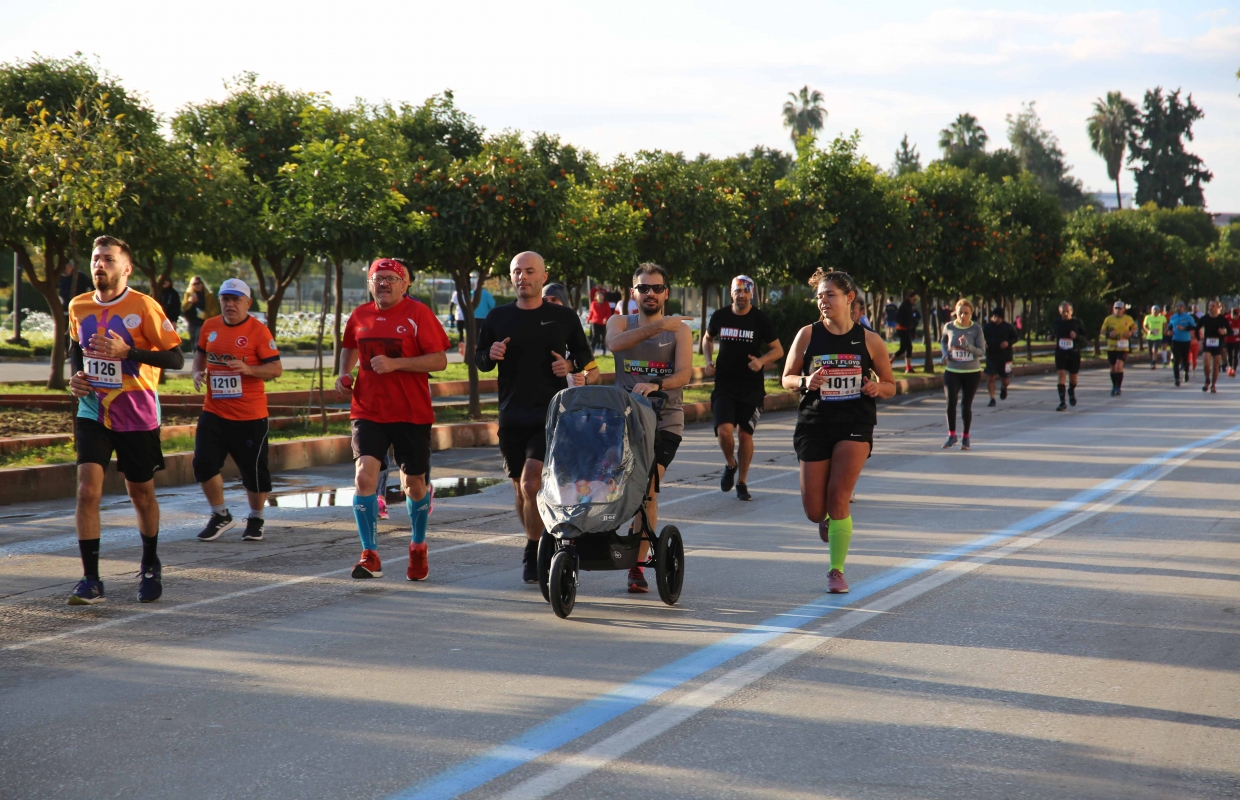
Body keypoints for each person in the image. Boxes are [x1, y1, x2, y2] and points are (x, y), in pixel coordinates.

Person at [65, 236, 184, 605]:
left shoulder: (144, 306)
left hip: (137, 414)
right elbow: (76, 347)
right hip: (94, 410)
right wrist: (76, 376)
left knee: (141, 495)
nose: (100, 265)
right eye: (96, 258)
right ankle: (90, 579)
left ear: (126, 268)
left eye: (108, 259)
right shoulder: (78, 305)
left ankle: (150, 564)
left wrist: (128, 351)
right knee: (87, 489)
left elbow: (176, 358)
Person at [476, 252, 592, 584]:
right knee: (520, 488)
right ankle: (538, 539)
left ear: (543, 276)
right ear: (511, 277)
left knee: (530, 482)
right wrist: (490, 354)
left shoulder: (562, 316)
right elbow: (480, 359)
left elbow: (584, 355)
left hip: (550, 414)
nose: (522, 277)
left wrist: (569, 365)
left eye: (529, 271)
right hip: (512, 416)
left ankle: (534, 549)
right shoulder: (498, 317)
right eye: (517, 272)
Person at [781, 268, 896, 594]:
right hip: (814, 424)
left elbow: (890, 385)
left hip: (855, 424)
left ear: (849, 298)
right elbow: (786, 378)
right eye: (819, 296)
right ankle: (829, 520)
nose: (823, 301)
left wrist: (876, 387)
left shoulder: (870, 340)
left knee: (839, 496)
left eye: (830, 295)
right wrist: (806, 381)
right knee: (814, 510)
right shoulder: (807, 335)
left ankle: (836, 570)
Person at [335, 258, 451, 581]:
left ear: (404, 284)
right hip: (368, 410)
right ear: (370, 284)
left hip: (411, 412)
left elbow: (440, 360)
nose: (383, 284)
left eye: (390, 278)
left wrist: (396, 364)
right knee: (364, 477)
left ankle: (418, 545)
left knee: (414, 484)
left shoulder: (418, 314)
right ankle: (370, 554)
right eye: (378, 279)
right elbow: (349, 346)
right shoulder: (360, 315)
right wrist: (343, 373)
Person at [607, 263, 694, 592]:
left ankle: (637, 566)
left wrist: (656, 384)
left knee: (647, 490)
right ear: (634, 293)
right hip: (624, 419)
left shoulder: (679, 331)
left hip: (665, 419)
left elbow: (684, 374)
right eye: (643, 288)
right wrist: (656, 326)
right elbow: (614, 345)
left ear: (666, 293)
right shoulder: (619, 323)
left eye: (657, 288)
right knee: (609, 487)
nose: (650, 294)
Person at [190, 279, 282, 542]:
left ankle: (256, 518)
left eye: (236, 300)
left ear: (247, 303)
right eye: (225, 299)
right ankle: (220, 515)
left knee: (253, 472)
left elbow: (276, 369)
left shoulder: (258, 331)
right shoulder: (210, 326)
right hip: (214, 410)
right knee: (203, 463)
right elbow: (200, 353)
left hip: (250, 415)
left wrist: (249, 369)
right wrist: (197, 371)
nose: (230, 304)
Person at [703, 275, 783, 502]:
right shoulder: (720, 316)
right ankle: (731, 464)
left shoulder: (760, 319)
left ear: (752, 294)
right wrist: (708, 360)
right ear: (731, 293)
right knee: (724, 431)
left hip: (751, 387)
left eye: (746, 291)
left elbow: (778, 350)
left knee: (745, 435)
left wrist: (761, 361)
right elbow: (707, 338)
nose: (742, 295)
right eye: (737, 290)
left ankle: (742, 482)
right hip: (724, 383)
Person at [940, 299, 985, 450]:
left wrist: (967, 345)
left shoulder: (976, 329)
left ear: (971, 314)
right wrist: (945, 354)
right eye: (960, 313)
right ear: (956, 312)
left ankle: (965, 437)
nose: (963, 316)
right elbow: (943, 341)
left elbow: (981, 352)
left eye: (966, 313)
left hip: (971, 371)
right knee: (950, 402)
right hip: (952, 370)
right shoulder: (949, 326)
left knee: (966, 404)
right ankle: (951, 435)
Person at [544, 283, 599, 385]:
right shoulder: (534, 331)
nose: (549, 304)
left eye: (554, 300)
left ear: (564, 302)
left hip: (572, 394)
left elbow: (594, 371)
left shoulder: (575, 334)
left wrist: (585, 380)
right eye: (545, 300)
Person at [1052, 302, 1087, 411]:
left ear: (1071, 311)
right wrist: (1050, 336)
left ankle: (1071, 390)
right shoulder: (1057, 323)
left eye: (1067, 311)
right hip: (1060, 353)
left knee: (1073, 378)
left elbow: (1084, 339)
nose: (1065, 314)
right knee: (1061, 374)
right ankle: (1062, 402)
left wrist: (1076, 336)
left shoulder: (1077, 323)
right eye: (1063, 312)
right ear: (1060, 312)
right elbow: (1053, 333)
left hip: (1073, 353)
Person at [450, 274, 496, 356]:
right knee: (482, 334)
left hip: (472, 317)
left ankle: (472, 351)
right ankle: (480, 350)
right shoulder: (486, 294)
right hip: (483, 317)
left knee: (473, 334)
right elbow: (492, 304)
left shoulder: (471, 294)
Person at [1099, 300, 1137, 397]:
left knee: (1119, 366)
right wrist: (1108, 334)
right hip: (1112, 346)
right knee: (1113, 368)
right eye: (1116, 308)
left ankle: (1118, 387)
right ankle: (1114, 385)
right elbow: (1102, 331)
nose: (1118, 310)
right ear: (1113, 309)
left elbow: (1134, 328)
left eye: (1120, 308)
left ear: (1123, 309)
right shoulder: (1108, 319)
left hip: (1123, 346)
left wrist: (1131, 333)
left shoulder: (1128, 319)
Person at [982, 307, 1018, 407]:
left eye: (998, 317)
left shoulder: (1008, 327)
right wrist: (984, 344)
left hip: (1006, 357)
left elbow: (1016, 338)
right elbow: (980, 338)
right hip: (991, 355)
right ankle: (992, 398)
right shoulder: (987, 327)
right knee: (990, 377)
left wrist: (1008, 343)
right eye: (994, 316)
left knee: (1005, 379)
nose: (996, 319)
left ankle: (1004, 387)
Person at [1196, 299, 1231, 394]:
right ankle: (1207, 379)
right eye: (1209, 306)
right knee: (1206, 363)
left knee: (1216, 366)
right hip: (1207, 343)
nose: (1211, 308)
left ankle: (1213, 385)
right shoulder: (1204, 318)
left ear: (1217, 308)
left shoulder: (1222, 319)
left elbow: (1230, 331)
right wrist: (1199, 339)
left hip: (1218, 344)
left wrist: (1224, 332)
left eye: (1213, 306)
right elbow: (1197, 329)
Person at [181, 276, 221, 354]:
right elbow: (183, 308)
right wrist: (190, 302)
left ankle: (199, 357)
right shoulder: (188, 294)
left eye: (198, 283)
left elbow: (215, 309)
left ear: (202, 284)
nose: (196, 285)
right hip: (192, 321)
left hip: (203, 321)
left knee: (198, 341)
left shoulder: (208, 295)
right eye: (194, 284)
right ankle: (196, 356)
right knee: (193, 341)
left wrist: (207, 315)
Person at [1168, 302, 1197, 387]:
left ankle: (1186, 372)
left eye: (1180, 307)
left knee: (1185, 358)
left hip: (1185, 340)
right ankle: (1177, 379)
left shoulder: (1188, 317)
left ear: (1184, 308)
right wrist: (1169, 330)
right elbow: (1170, 326)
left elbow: (1194, 327)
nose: (1179, 308)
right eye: (1177, 306)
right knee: (1176, 359)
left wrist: (1184, 328)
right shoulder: (1173, 317)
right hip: (1175, 340)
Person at [892, 291, 919, 373]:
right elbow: (898, 317)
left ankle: (889, 362)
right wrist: (904, 324)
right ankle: (908, 368)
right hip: (902, 329)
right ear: (909, 298)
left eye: (916, 300)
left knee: (902, 349)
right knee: (909, 347)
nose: (915, 301)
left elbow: (913, 319)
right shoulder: (904, 306)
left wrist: (913, 330)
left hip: (907, 329)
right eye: (914, 299)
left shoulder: (911, 306)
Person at [587, 287, 614, 354]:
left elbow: (609, 312)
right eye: (599, 296)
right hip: (595, 322)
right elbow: (591, 313)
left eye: (601, 296)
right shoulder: (593, 304)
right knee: (595, 336)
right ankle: (592, 349)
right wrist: (588, 319)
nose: (600, 297)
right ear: (596, 297)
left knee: (603, 336)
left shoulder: (606, 304)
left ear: (603, 297)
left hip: (603, 323)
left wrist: (606, 318)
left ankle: (603, 349)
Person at [1143, 305, 1166, 370]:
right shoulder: (1148, 317)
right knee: (1150, 351)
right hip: (1150, 336)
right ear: (1151, 311)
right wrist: (1148, 331)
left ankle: (1153, 363)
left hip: (1158, 336)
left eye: (1156, 310)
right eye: (1153, 310)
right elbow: (1144, 325)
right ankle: (1152, 361)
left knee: (1155, 349)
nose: (1155, 311)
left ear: (1158, 311)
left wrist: (1164, 330)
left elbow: (1165, 324)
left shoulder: (1162, 317)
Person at [1225, 305, 1240, 378]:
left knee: (1235, 354)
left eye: (1236, 315)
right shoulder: (1227, 318)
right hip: (1228, 339)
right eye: (1233, 315)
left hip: (1237, 339)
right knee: (1229, 354)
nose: (1234, 317)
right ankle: (1230, 367)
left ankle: (1234, 369)